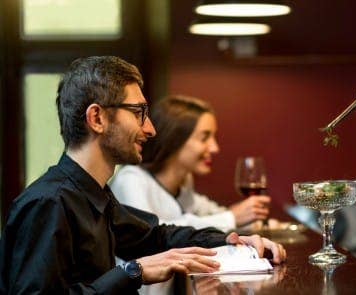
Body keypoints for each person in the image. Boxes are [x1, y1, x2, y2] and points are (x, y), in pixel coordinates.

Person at [0, 56, 286, 294]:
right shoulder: (48, 202)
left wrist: (233, 242)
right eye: (138, 112)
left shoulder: (94, 193)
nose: (150, 129)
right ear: (97, 118)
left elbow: (157, 236)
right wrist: (134, 272)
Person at [109, 95, 271, 295]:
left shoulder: (184, 180)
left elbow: (203, 211)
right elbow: (159, 234)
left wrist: (245, 226)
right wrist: (232, 217)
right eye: (204, 137)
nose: (215, 147)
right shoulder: (130, 180)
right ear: (174, 139)